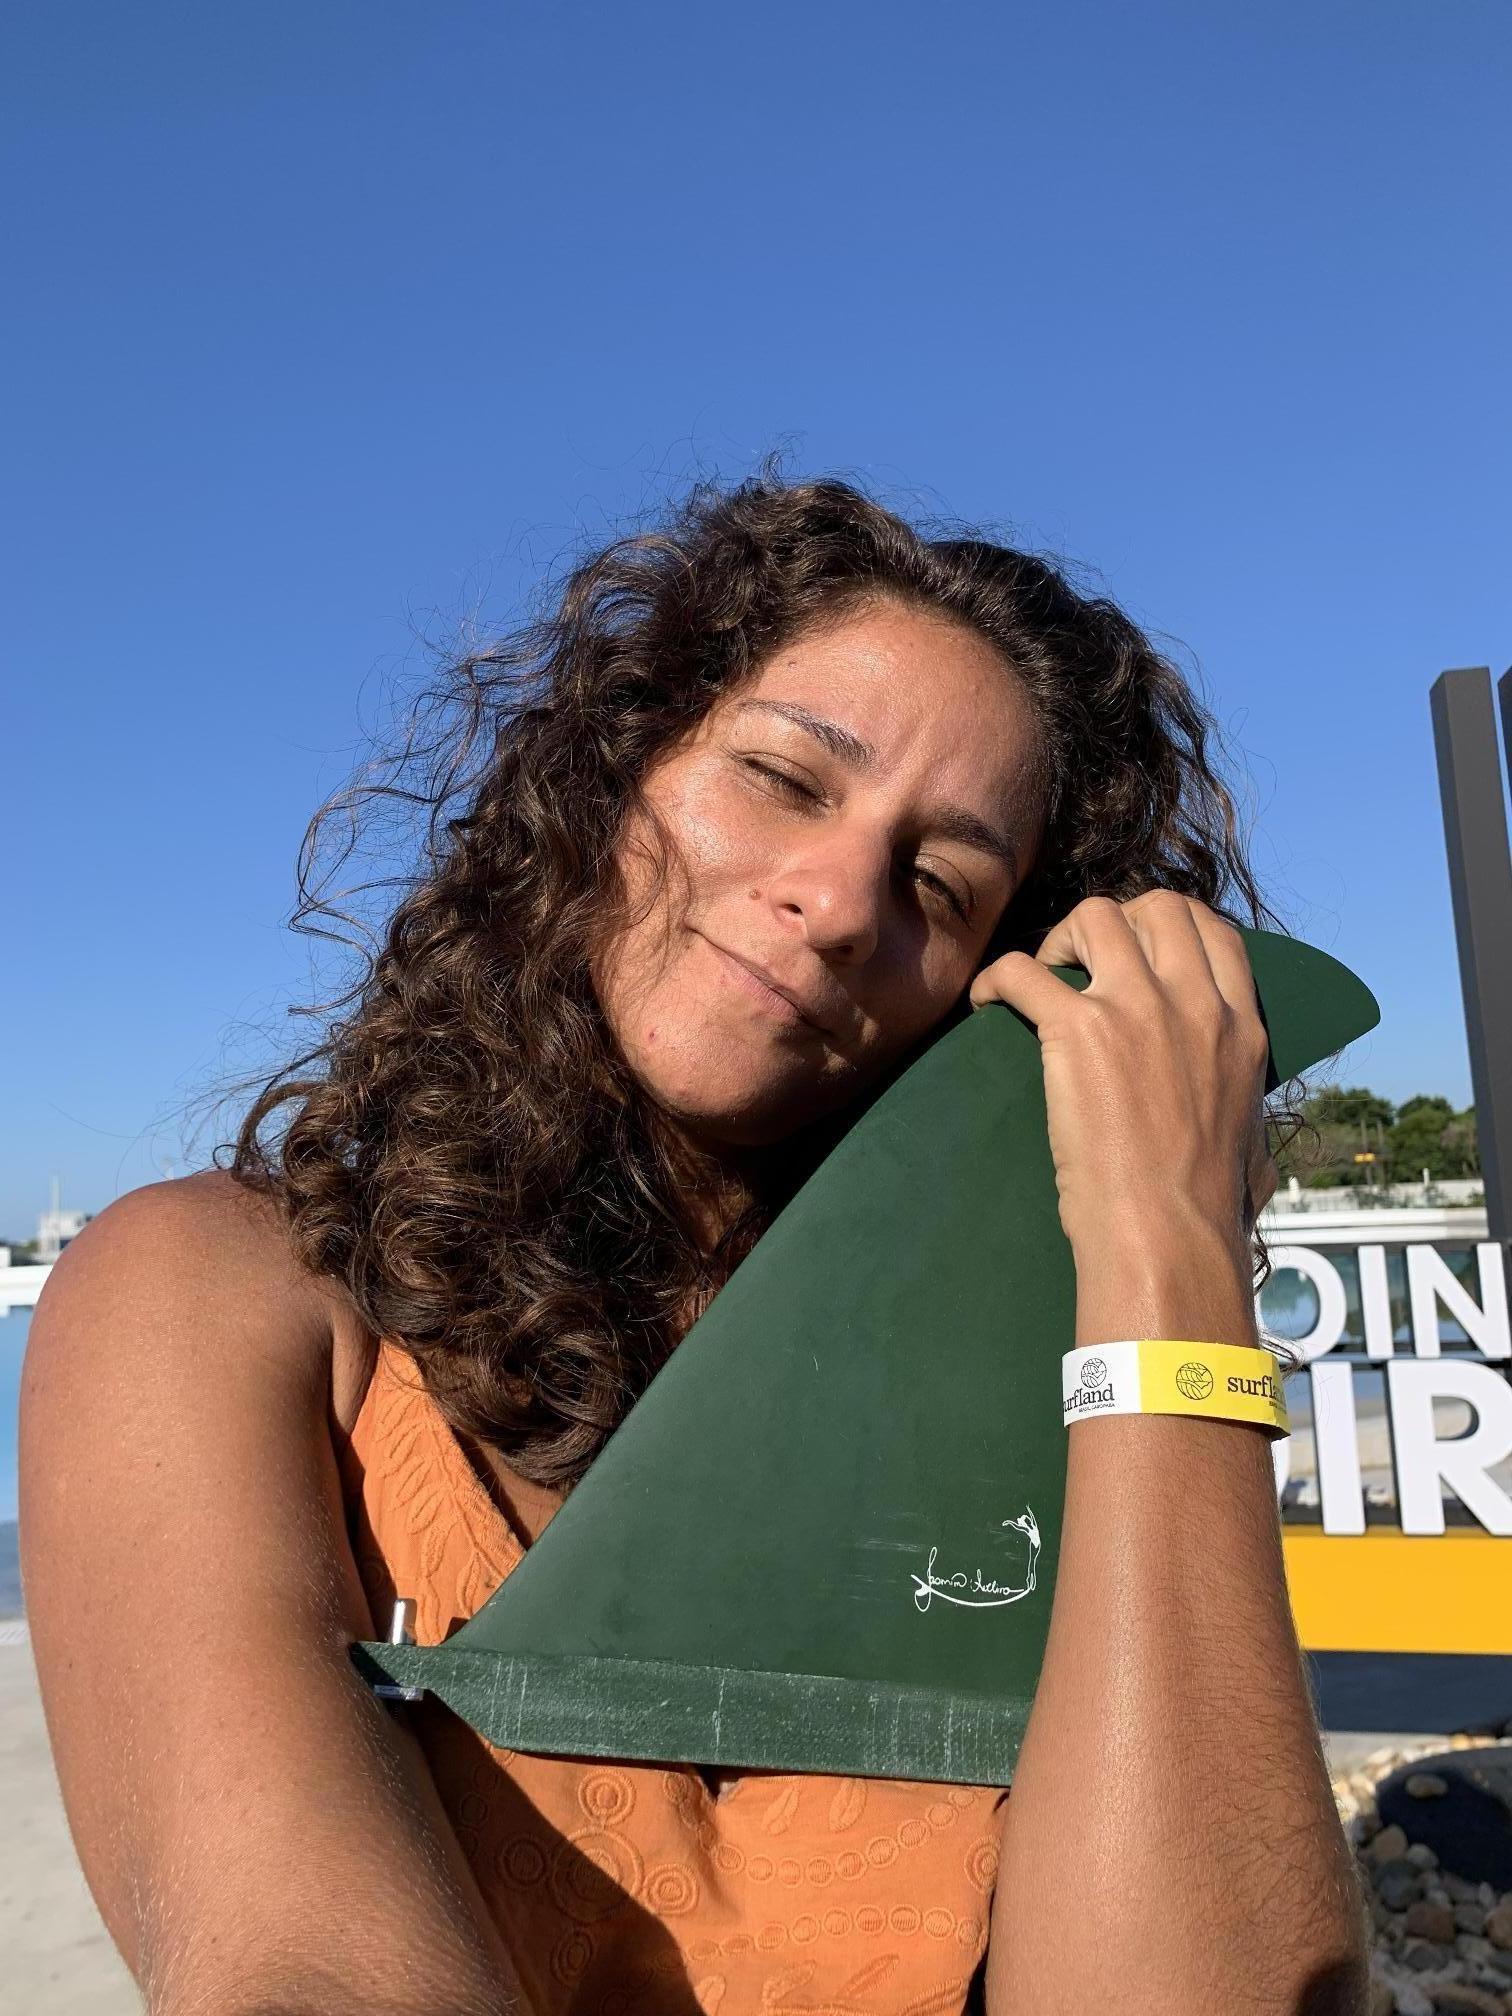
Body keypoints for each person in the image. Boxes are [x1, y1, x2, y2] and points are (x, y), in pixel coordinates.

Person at [20, 470, 1369, 2015]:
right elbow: (305, 1972)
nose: (839, 900)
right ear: (611, 769)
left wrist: (1168, 1249)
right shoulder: (223, 1299)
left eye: (938, 883)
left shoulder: (1043, 1399)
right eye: (786, 778)